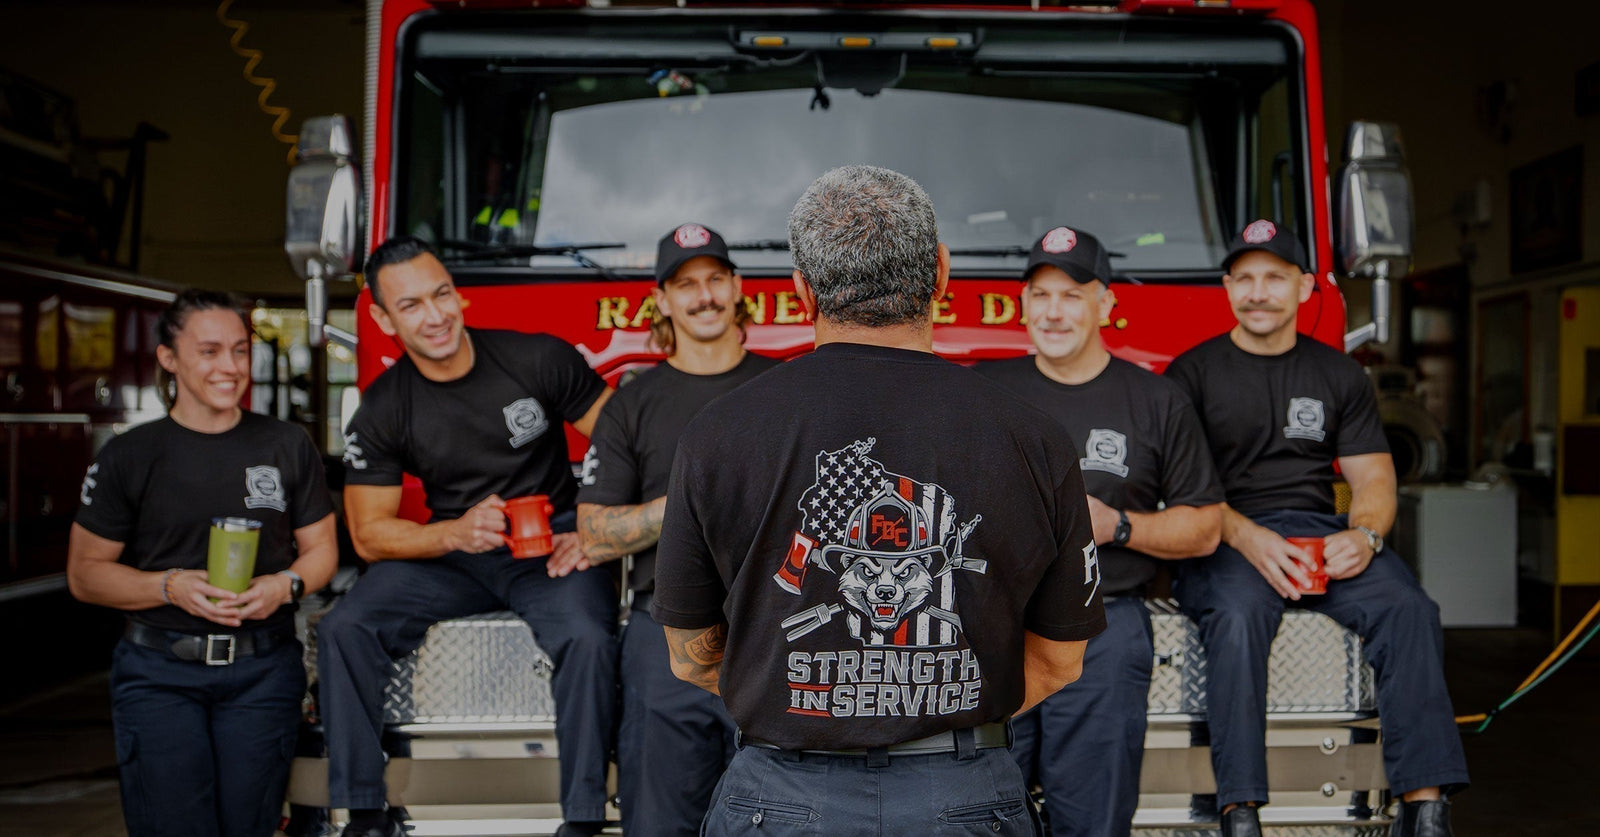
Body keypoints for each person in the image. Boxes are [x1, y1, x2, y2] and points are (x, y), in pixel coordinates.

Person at [650, 166, 1107, 837]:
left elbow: (690, 653)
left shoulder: (717, 431)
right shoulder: (1035, 436)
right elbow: (1061, 659)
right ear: (942, 274)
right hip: (965, 795)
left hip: (779, 796)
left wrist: (806, 702)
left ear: (800, 289)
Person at [1163, 220, 1469, 837]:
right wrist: (1249, 538)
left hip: (1318, 531)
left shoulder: (1341, 375)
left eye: (1274, 278)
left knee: (1409, 608)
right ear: (1226, 289)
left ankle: (1424, 805)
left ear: (1305, 288)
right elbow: (1181, 490)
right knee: (1238, 617)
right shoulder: (1189, 375)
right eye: (1244, 279)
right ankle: (1239, 809)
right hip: (1223, 537)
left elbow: (1375, 479)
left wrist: (1364, 536)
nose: (1258, 292)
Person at [320, 236, 618, 837]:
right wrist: (453, 533)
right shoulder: (382, 409)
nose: (435, 317)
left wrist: (594, 531)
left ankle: (584, 818)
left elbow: (629, 446)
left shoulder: (537, 360)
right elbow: (369, 535)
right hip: (453, 556)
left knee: (588, 637)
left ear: (459, 295)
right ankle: (364, 813)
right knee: (344, 627)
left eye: (441, 295)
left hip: (550, 547)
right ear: (382, 318)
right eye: (411, 306)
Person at [976, 226, 1223, 837]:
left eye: (1072, 295)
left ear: (1107, 304)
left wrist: (1119, 525)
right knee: (977, 815)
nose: (1052, 311)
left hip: (1105, 633)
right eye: (1040, 295)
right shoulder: (981, 391)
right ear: (1023, 304)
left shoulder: (1156, 401)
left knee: (1092, 821)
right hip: (993, 630)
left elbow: (1206, 528)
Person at [67, 289, 338, 837]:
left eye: (239, 351)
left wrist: (283, 586)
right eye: (210, 351)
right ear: (169, 358)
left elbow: (322, 551)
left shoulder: (286, 444)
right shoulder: (129, 455)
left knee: (250, 826)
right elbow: (85, 574)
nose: (230, 367)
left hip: (263, 674)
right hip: (159, 676)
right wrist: (171, 587)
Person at [558, 223, 778, 835]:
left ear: (737, 288)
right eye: (687, 285)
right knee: (658, 820)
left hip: (777, 625)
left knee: (787, 816)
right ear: (662, 299)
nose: (703, 296)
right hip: (665, 633)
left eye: (714, 280)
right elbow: (596, 533)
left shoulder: (787, 389)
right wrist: (688, 501)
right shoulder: (633, 402)